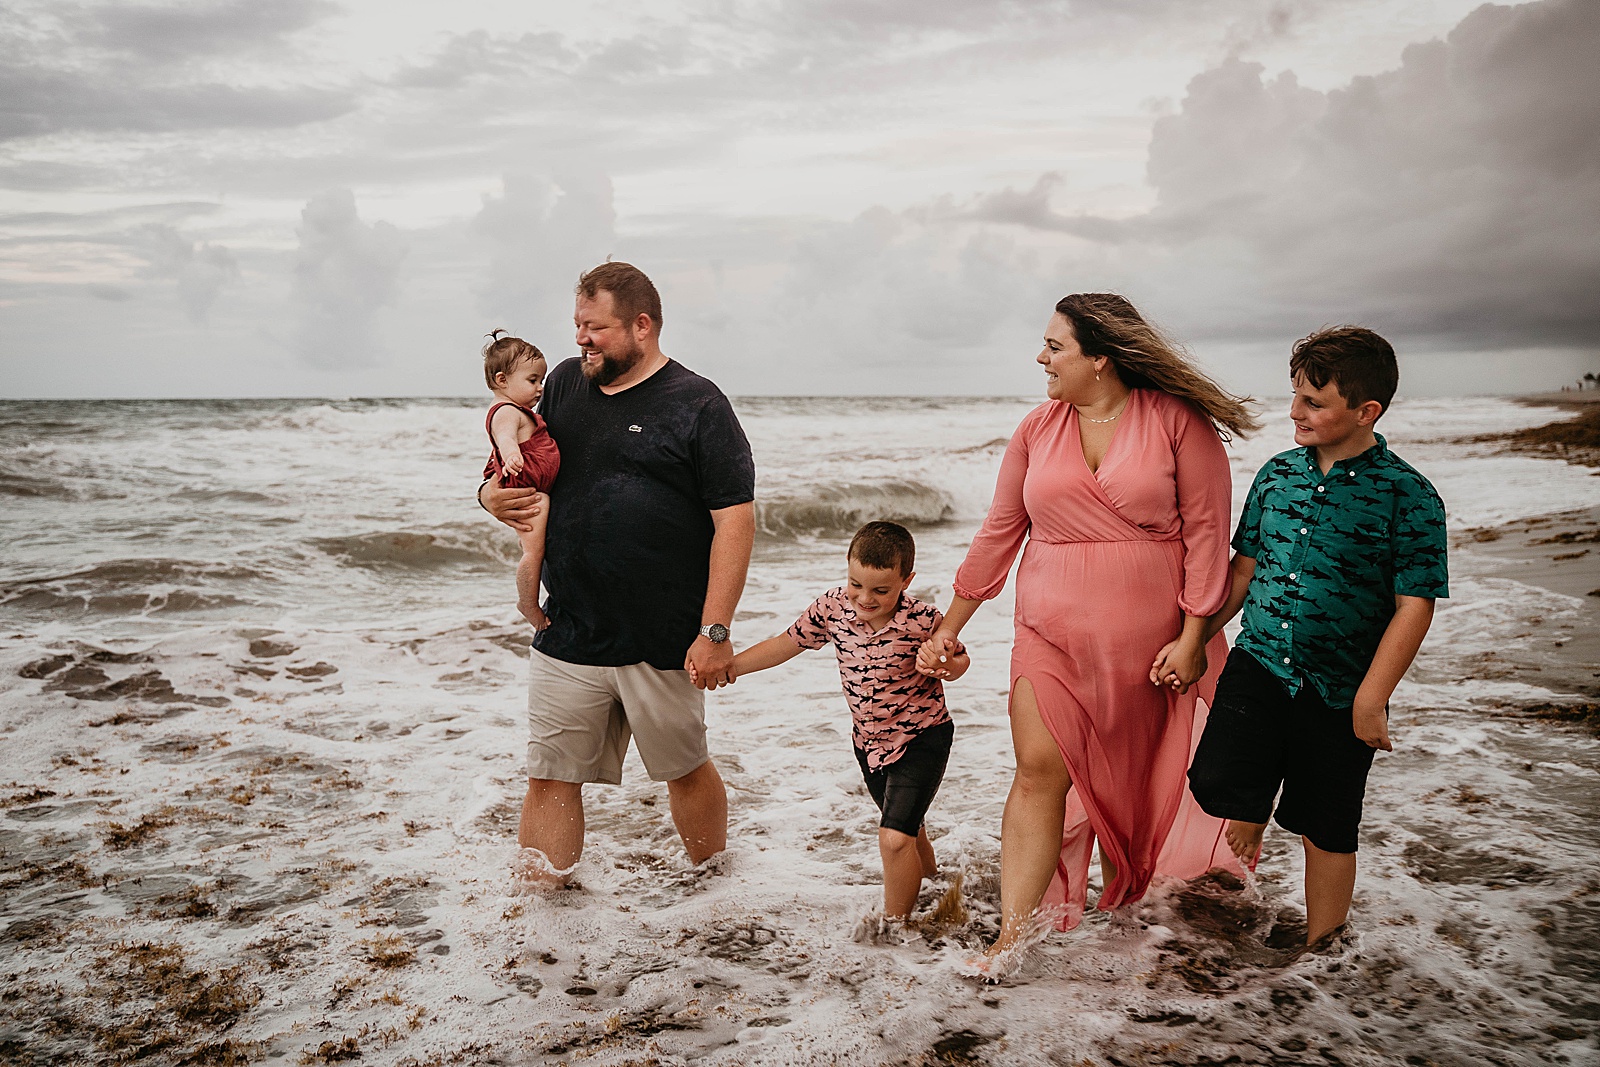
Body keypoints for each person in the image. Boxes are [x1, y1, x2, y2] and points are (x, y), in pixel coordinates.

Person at [917, 293, 1258, 976]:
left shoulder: (1176, 423)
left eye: (1055, 346)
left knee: (1128, 791)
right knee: (1038, 771)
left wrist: (1193, 637)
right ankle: (1012, 939)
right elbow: (1000, 531)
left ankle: (1120, 918)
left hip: (1151, 642)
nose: (1040, 358)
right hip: (1047, 631)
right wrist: (948, 628)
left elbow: (1206, 535)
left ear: (1100, 358)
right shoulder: (1036, 429)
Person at [478, 261, 756, 884]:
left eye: (595, 327)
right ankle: (543, 917)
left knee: (684, 769)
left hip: (661, 636)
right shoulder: (564, 389)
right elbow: (516, 463)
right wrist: (487, 496)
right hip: (569, 626)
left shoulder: (698, 403)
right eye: (577, 325)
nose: (580, 340)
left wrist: (714, 631)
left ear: (641, 325)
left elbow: (735, 523)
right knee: (550, 774)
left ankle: (719, 892)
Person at [1183, 326, 1447, 945]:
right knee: (1216, 780)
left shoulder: (1408, 496)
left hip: (1342, 682)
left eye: (1313, 402)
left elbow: (1415, 606)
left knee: (1326, 823)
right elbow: (1243, 571)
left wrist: (1372, 696)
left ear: (1365, 412)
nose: (1294, 412)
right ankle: (1252, 809)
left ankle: (1323, 946)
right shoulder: (1276, 476)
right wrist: (1196, 638)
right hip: (1261, 661)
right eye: (1295, 395)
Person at [717, 522, 968, 932]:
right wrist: (732, 668)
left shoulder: (924, 619)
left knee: (893, 837)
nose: (865, 599)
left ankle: (896, 933)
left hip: (922, 737)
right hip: (868, 743)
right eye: (856, 584)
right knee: (909, 829)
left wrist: (944, 663)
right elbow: (787, 643)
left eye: (881, 591)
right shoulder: (832, 608)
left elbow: (958, 661)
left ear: (907, 581)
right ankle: (935, 892)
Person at [481, 330, 562, 630]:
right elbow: (504, 435)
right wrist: (511, 453)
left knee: (533, 547)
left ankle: (528, 599)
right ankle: (527, 602)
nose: (540, 389)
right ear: (502, 380)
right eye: (532, 381)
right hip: (528, 490)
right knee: (533, 550)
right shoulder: (505, 411)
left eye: (541, 380)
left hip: (531, 486)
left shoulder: (517, 409)